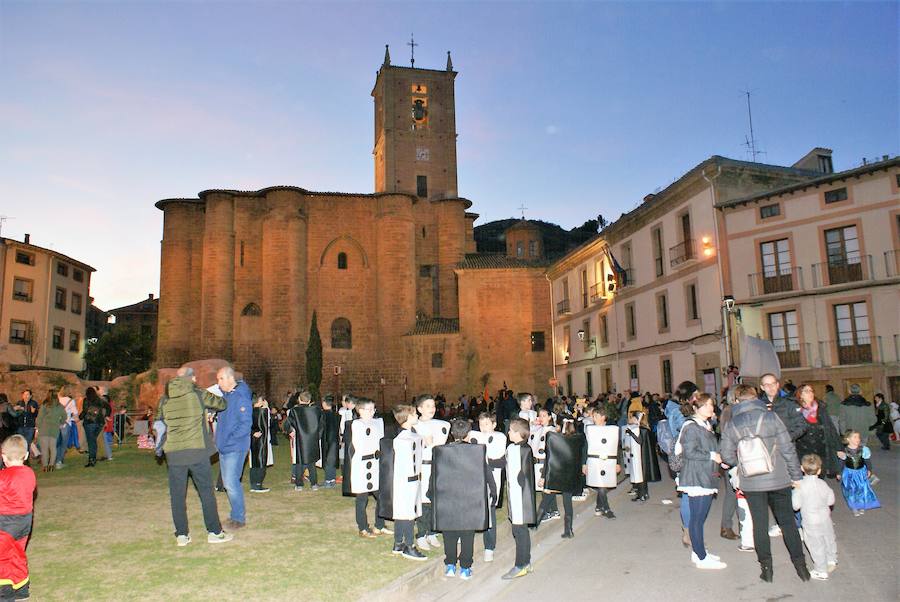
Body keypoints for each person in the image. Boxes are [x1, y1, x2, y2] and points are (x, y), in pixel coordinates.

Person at [720, 384, 809, 583]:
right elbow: (788, 449)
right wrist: (796, 476)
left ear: (737, 400)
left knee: (759, 525)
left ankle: (766, 569)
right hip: (779, 478)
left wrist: (741, 463)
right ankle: (801, 567)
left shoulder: (733, 423)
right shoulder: (771, 417)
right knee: (787, 523)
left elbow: (726, 455)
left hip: (752, 482)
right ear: (755, 397)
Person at [157, 367, 233, 546]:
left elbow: (159, 421)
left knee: (177, 495)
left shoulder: (165, 399)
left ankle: (182, 535)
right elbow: (222, 404)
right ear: (192, 378)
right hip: (197, 451)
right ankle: (214, 532)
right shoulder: (199, 394)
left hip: (174, 454)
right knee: (206, 493)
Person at [432, 418, 496, 580]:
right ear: (469, 433)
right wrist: (493, 492)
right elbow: (486, 472)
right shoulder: (477, 450)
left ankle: (450, 565)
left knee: (449, 533)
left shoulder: (440, 450)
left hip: (448, 498)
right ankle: (466, 567)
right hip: (470, 498)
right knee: (468, 535)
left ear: (452, 433)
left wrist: (430, 492)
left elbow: (435, 475)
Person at [676, 393, 727, 570]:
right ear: (696, 408)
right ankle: (701, 556)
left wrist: (720, 458)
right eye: (705, 406)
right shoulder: (691, 426)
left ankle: (698, 552)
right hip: (696, 476)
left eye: (711, 405)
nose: (710, 408)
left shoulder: (706, 424)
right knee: (697, 519)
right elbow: (689, 452)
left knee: (700, 517)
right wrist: (712, 456)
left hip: (705, 474)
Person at [377, 404, 426, 561]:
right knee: (408, 514)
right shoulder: (403, 440)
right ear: (407, 418)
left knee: (402, 512)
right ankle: (409, 546)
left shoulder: (412, 435)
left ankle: (398, 543)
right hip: (406, 482)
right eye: (414, 414)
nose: (417, 415)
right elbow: (403, 465)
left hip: (411, 480)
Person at [342, 398, 389, 538]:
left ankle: (379, 525)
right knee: (362, 498)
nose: (371, 412)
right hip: (361, 466)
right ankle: (362, 527)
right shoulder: (355, 425)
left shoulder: (377, 423)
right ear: (360, 410)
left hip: (375, 464)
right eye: (368, 409)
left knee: (380, 495)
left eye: (373, 409)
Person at [215, 366, 253, 530]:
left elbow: (245, 424)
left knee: (231, 483)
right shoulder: (227, 396)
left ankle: (238, 518)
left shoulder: (240, 397)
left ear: (230, 379)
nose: (218, 383)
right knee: (229, 483)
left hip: (235, 447)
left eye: (220, 379)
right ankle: (235, 515)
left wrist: (230, 440)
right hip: (225, 446)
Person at [411, 395, 449, 551]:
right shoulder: (414, 426)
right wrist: (423, 443)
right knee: (423, 500)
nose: (432, 409)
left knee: (435, 499)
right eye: (427, 406)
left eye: (433, 406)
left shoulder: (441, 425)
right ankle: (421, 534)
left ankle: (433, 531)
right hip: (422, 467)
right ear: (419, 409)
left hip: (437, 466)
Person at [0, 435, 36, 601]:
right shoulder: (29, 473)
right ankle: (22, 591)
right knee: (17, 554)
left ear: (3, 457)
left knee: (3, 559)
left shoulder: (3, 477)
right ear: (27, 455)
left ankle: (5, 595)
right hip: (25, 522)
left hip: (6, 523)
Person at [791, 454, 837, 580]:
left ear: (801, 468)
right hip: (825, 518)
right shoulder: (823, 484)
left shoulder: (801, 486)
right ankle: (831, 559)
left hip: (811, 521)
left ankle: (821, 570)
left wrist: (795, 491)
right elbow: (830, 501)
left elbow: (795, 506)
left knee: (816, 545)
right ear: (820, 470)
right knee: (828, 539)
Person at [468, 412, 506, 561]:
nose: (483, 427)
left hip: (491, 479)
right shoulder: (474, 435)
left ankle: (489, 546)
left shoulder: (499, 437)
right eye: (481, 424)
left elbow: (497, 458)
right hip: (475, 479)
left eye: (487, 424)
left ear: (494, 425)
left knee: (489, 513)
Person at [501, 418, 536, 580]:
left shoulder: (517, 450)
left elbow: (519, 476)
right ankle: (526, 562)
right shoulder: (524, 448)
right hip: (520, 495)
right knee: (521, 531)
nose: (508, 432)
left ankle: (520, 565)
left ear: (518, 433)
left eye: (510, 430)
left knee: (519, 531)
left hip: (519, 497)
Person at [793, 384, 841, 478]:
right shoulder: (795, 410)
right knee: (806, 481)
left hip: (821, 450)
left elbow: (830, 428)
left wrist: (838, 448)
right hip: (803, 451)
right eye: (806, 391)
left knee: (820, 478)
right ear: (800, 395)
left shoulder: (821, 408)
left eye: (811, 391)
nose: (810, 393)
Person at [585, 405, 621, 519]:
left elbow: (615, 447)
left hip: (608, 461)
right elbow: (585, 447)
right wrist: (584, 463)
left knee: (603, 485)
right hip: (594, 461)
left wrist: (617, 462)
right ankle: (606, 508)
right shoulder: (590, 430)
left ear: (603, 417)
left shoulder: (611, 430)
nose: (594, 419)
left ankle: (599, 506)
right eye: (593, 416)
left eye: (596, 416)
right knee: (601, 485)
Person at [284, 391, 323, 491]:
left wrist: (290, 431)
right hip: (312, 439)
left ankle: (299, 484)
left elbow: (288, 423)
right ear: (309, 400)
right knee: (311, 462)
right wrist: (318, 436)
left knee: (300, 462)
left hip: (300, 439)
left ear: (299, 400)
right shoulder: (316, 410)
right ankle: (314, 484)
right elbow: (322, 424)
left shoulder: (294, 411)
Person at [836, 430, 880, 516]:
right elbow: (841, 462)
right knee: (851, 490)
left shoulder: (863, 449)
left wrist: (869, 470)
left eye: (858, 437)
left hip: (861, 473)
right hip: (849, 473)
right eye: (855, 437)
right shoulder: (844, 451)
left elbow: (867, 461)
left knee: (862, 489)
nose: (858, 439)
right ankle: (854, 507)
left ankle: (861, 505)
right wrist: (839, 472)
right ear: (848, 439)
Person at [623, 411, 660, 502]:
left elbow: (640, 441)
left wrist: (631, 433)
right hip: (639, 455)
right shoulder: (640, 428)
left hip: (642, 457)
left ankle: (643, 494)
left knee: (641, 476)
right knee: (639, 476)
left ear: (636, 419)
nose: (630, 419)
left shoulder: (642, 429)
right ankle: (641, 494)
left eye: (632, 417)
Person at [758, 373, 808, 441]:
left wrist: (786, 439)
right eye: (767, 385)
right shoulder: (758, 405)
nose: (771, 387)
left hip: (786, 448)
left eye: (773, 383)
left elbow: (801, 425)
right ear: (762, 387)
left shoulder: (789, 403)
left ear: (777, 385)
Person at [79, 387, 110, 468]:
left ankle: (92, 460)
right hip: (100, 423)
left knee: (91, 442)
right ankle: (93, 458)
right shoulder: (100, 400)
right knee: (93, 441)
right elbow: (108, 407)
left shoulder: (86, 400)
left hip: (89, 423)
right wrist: (106, 415)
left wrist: (79, 417)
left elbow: (85, 410)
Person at [35, 391, 66, 472]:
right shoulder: (60, 406)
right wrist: (61, 423)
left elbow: (39, 418)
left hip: (44, 429)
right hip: (55, 429)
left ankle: (45, 466)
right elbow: (64, 416)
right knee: (53, 448)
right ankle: (51, 465)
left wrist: (37, 428)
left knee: (44, 449)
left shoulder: (45, 405)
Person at [249, 396, 272, 493]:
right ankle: (257, 485)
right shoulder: (261, 412)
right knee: (261, 460)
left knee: (254, 461)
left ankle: (254, 483)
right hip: (261, 440)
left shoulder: (249, 412)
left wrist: (252, 432)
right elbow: (267, 422)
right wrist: (266, 407)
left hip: (253, 440)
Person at [320, 396, 340, 488]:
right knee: (332, 460)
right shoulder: (336, 415)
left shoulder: (323, 415)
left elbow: (321, 428)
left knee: (327, 460)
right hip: (335, 439)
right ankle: (332, 479)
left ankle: (328, 481)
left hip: (327, 439)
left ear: (324, 404)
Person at [55, 389, 77, 469]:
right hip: (66, 423)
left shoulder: (56, 400)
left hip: (56, 423)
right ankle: (59, 461)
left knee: (57, 442)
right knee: (64, 443)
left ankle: (56, 459)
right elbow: (75, 412)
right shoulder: (71, 401)